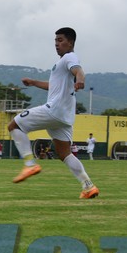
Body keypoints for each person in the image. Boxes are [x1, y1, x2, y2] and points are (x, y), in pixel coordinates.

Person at [7, 27, 99, 199]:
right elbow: (54, 86)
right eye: (55, 40)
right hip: (65, 117)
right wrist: (33, 82)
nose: (57, 44)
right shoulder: (61, 65)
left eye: (60, 40)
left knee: (14, 126)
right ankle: (88, 186)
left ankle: (30, 164)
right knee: (64, 153)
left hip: (54, 110)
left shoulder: (69, 58)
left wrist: (80, 80)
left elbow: (79, 70)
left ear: (70, 42)